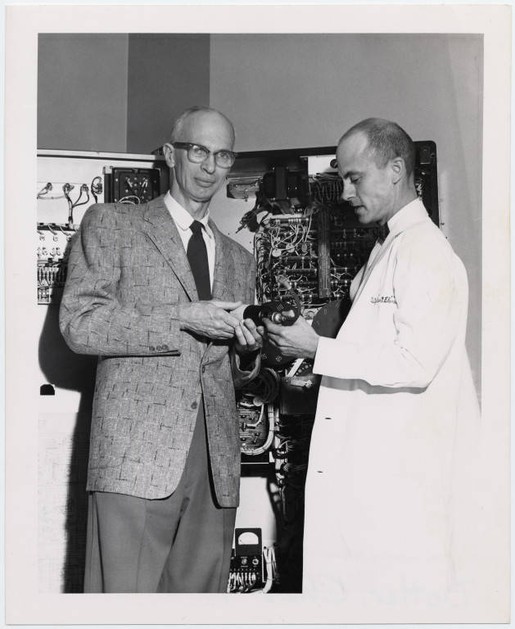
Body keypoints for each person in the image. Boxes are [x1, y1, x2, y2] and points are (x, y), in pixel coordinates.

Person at [264, 118, 482, 603]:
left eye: (354, 177)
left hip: (395, 486)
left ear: (397, 170)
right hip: (367, 481)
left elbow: (414, 363)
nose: (343, 192)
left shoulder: (425, 252)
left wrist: (314, 349)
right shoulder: (387, 249)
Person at [59, 106, 263, 593]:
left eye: (223, 155)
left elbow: (235, 374)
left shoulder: (240, 258)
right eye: (198, 151)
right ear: (170, 154)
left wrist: (249, 353)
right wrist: (182, 318)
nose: (210, 166)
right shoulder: (112, 225)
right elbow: (80, 325)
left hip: (215, 466)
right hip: (134, 457)